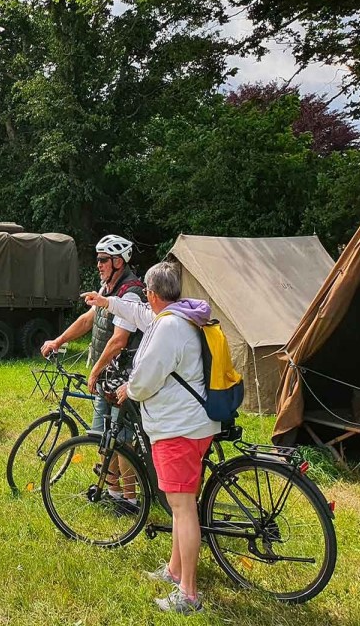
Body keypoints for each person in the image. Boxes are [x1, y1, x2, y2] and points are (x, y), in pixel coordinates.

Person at [84, 262, 218, 615]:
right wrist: (106, 302)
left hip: (179, 428)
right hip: (190, 424)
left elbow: (146, 378)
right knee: (179, 505)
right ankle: (175, 571)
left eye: (146, 292)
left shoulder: (169, 326)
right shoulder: (177, 316)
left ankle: (188, 594)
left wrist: (129, 389)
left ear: (153, 292)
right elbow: (140, 314)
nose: (144, 297)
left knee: (183, 508)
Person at [41, 235, 146, 506]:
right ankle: (112, 493)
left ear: (118, 261)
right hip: (107, 377)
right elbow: (89, 319)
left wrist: (95, 369)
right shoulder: (107, 288)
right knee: (102, 437)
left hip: (123, 377)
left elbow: (119, 339)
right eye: (97, 259)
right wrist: (58, 341)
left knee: (122, 442)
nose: (98, 264)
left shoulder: (130, 292)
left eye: (103, 260)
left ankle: (131, 501)